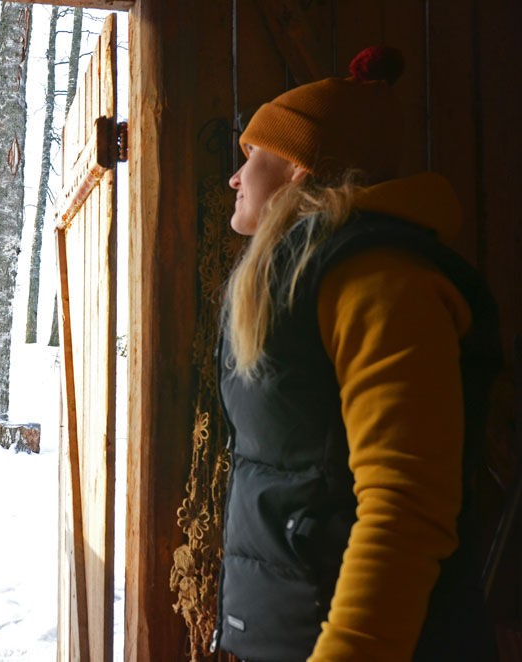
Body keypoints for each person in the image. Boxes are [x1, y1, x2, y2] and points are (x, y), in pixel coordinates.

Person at [212, 46, 501, 662]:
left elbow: (403, 506)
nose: (235, 178)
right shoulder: (302, 275)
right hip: (295, 632)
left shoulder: (379, 280)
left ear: (296, 166)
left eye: (251, 156)